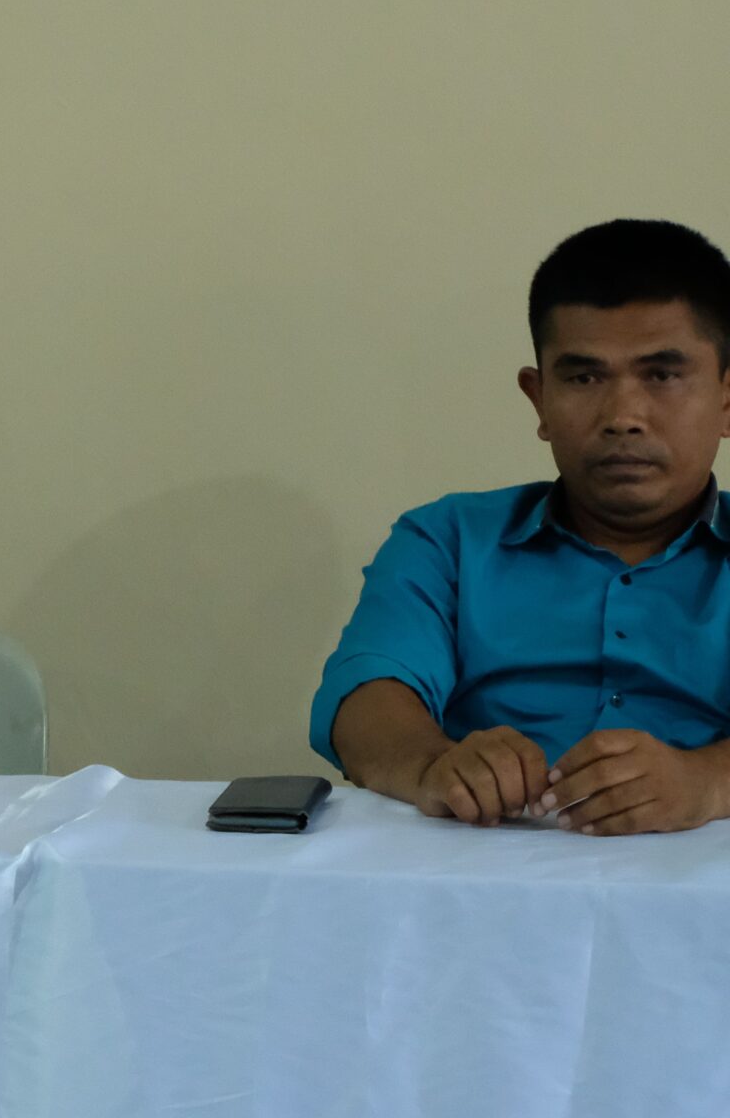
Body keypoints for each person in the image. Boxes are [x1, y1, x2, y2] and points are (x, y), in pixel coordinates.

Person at [312, 218, 730, 834]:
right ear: (539, 400)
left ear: (727, 398)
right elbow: (367, 696)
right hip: (477, 867)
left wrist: (708, 782)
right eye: (583, 377)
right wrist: (434, 766)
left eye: (662, 375)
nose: (623, 416)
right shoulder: (449, 541)